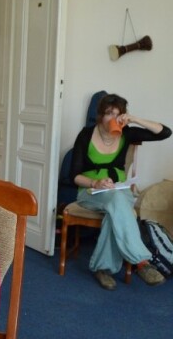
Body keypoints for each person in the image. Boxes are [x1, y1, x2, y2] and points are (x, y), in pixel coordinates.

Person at [70, 93, 172, 291]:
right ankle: (141, 262)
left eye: (119, 114)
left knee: (114, 210)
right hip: (90, 192)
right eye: (109, 113)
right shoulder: (86, 135)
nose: (114, 118)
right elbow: (73, 175)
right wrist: (95, 182)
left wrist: (135, 119)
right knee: (118, 204)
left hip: (119, 189)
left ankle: (102, 269)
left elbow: (165, 133)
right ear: (101, 115)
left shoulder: (127, 133)